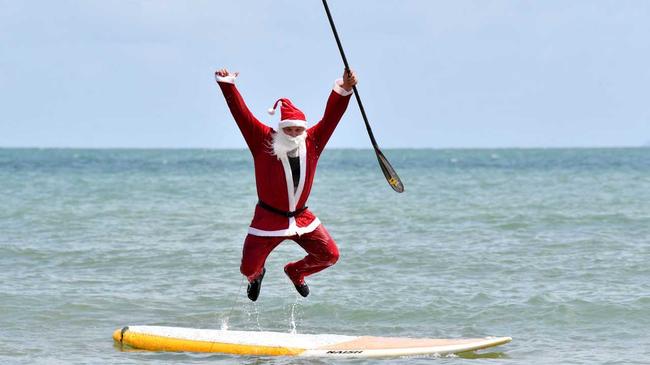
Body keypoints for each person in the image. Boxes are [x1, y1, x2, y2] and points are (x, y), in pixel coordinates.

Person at [215, 68, 357, 301]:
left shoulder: (313, 141)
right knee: (247, 269)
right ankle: (257, 275)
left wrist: (346, 87)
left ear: (304, 129)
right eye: (288, 129)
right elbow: (241, 114)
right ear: (281, 128)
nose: (293, 133)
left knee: (330, 255)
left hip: (302, 218)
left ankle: (296, 271)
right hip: (267, 220)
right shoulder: (262, 140)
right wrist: (227, 83)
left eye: (298, 129)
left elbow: (332, 116)